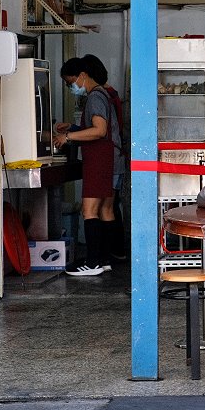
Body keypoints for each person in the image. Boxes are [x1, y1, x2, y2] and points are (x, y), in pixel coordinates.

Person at [52, 55, 124, 277]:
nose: (70, 86)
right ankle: (104, 259)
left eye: (70, 81)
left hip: (101, 160)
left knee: (89, 210)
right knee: (106, 210)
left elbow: (99, 130)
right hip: (112, 159)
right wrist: (73, 128)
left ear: (83, 75)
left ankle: (92, 262)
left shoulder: (94, 97)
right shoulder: (103, 94)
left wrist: (68, 137)